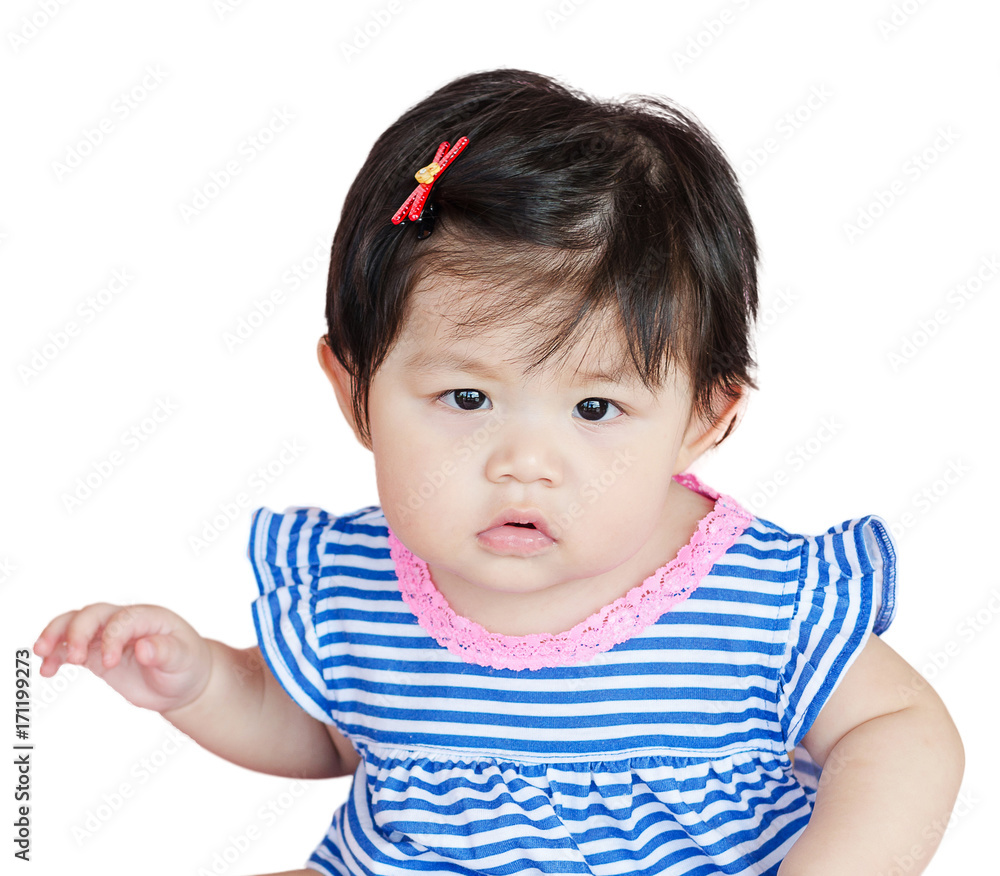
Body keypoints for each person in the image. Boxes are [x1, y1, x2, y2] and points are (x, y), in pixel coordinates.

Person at [33, 69, 964, 875]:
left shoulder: (758, 600)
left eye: (595, 410)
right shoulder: (360, 581)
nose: (524, 464)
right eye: (467, 398)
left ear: (703, 421)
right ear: (355, 392)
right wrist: (201, 683)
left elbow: (902, 733)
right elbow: (323, 732)